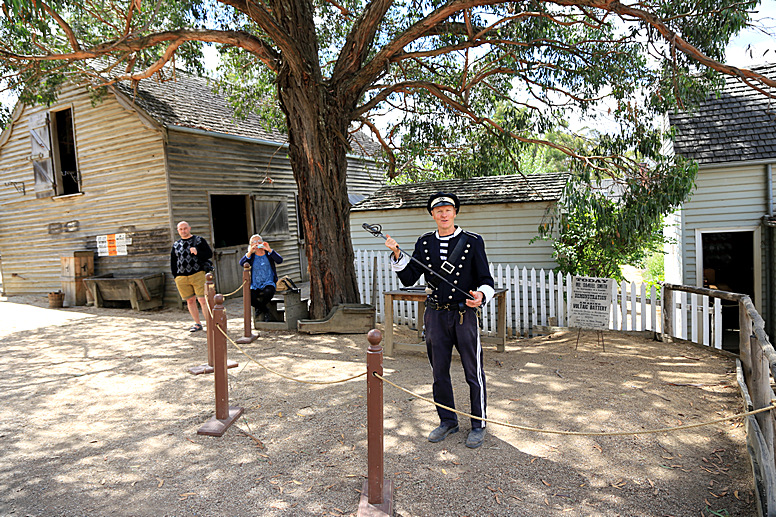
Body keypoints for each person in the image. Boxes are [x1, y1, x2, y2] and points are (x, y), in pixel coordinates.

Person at [385, 192, 495, 449]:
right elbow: (409, 278)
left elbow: (486, 280)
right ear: (432, 215)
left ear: (455, 212)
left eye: (448, 210)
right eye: (439, 211)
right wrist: (397, 254)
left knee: (473, 372)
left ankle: (478, 423)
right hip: (434, 315)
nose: (444, 214)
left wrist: (481, 295)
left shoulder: (473, 241)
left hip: (463, 315)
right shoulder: (424, 243)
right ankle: (448, 420)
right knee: (439, 372)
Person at [171, 221, 213, 333]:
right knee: (190, 300)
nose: (183, 231)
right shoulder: (176, 245)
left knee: (203, 300)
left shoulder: (199, 240)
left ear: (189, 228)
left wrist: (197, 252)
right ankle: (197, 323)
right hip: (182, 277)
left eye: (185, 228)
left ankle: (210, 323)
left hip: (197, 274)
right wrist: (176, 276)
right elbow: (173, 262)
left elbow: (209, 254)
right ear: (178, 231)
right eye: (181, 229)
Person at [239, 234, 283, 322]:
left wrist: (269, 249)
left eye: (259, 241)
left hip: (268, 282)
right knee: (249, 297)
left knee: (268, 292)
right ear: (251, 245)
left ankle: (261, 309)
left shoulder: (268, 253)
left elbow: (279, 260)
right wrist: (250, 252)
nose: (257, 243)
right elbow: (241, 263)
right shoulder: (251, 256)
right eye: (254, 242)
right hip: (256, 284)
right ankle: (265, 310)